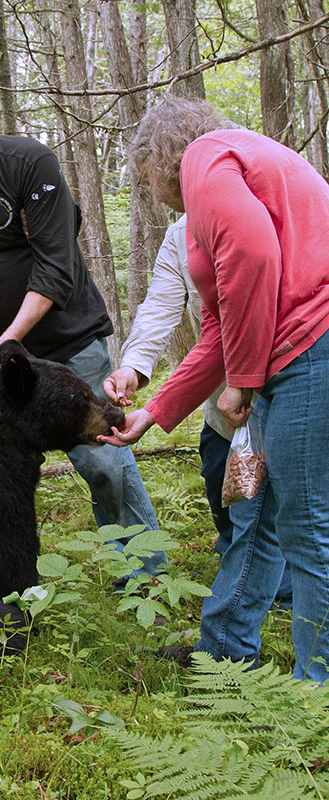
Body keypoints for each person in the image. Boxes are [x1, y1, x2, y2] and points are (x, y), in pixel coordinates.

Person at [101, 94, 329, 683]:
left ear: (160, 155)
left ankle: (313, 692)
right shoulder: (217, 196)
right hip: (297, 351)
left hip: (313, 342)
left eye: (144, 174)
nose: (149, 189)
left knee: (305, 529)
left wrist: (245, 383)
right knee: (291, 521)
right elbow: (218, 334)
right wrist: (152, 413)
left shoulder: (207, 157)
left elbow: (254, 256)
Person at [0, 96, 165, 577]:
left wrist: (12, 338)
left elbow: (55, 265)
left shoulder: (27, 162)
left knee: (104, 459)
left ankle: (144, 577)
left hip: (66, 340)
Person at [103, 217, 291, 605]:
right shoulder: (178, 235)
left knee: (281, 507)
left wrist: (155, 412)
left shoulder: (267, 213)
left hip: (289, 388)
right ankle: (242, 575)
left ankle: (280, 594)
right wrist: (134, 365)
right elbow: (164, 307)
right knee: (221, 485)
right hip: (223, 405)